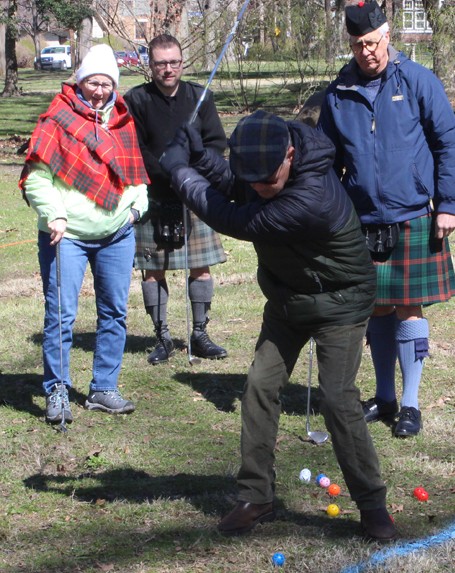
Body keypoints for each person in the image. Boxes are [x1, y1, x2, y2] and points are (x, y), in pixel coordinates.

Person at [159, 110, 396, 541]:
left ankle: (372, 505)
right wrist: (201, 156)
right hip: (288, 298)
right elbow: (237, 186)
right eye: (255, 179)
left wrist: (179, 171)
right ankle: (256, 496)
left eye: (267, 179)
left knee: (337, 399)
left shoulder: (311, 197)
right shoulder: (269, 173)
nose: (259, 188)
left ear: (290, 154)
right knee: (258, 387)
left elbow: (234, 218)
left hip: (341, 301)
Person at [317, 1, 455, 437]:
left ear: (387, 36)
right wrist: (330, 209)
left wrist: (449, 204)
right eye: (358, 45)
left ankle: (412, 404)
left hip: (413, 213)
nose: (367, 52)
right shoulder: (338, 93)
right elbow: (324, 159)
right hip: (361, 219)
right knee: (375, 308)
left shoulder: (418, 80)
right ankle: (384, 398)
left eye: (373, 42)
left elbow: (448, 143)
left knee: (408, 307)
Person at [20, 44, 150, 424]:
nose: (99, 90)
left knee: (114, 313)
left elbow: (137, 177)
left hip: (117, 235)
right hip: (67, 237)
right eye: (92, 82)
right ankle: (56, 390)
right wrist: (55, 215)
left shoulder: (122, 122)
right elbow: (37, 180)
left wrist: (136, 210)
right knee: (61, 316)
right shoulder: (55, 121)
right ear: (79, 82)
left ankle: (103, 388)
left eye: (106, 83)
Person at [124, 34, 228, 364]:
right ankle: (163, 338)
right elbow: (135, 149)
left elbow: (216, 143)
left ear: (182, 63)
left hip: (194, 195)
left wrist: (189, 171)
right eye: (160, 63)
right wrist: (168, 172)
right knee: (152, 270)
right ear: (150, 66)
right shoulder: (136, 100)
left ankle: (199, 335)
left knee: (201, 267)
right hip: (154, 195)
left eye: (174, 62)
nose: (168, 70)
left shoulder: (201, 97)